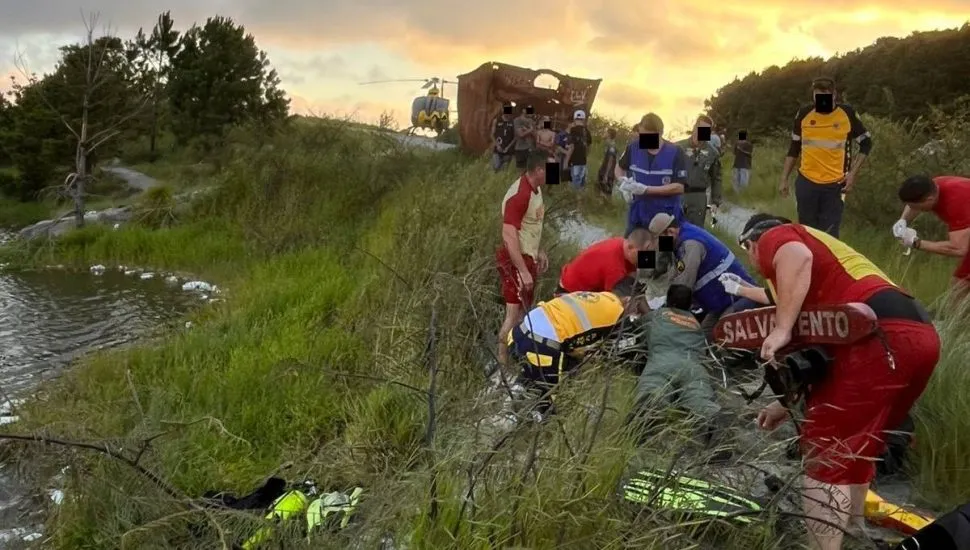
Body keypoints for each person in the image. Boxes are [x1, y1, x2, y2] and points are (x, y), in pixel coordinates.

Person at [735, 213, 940, 550]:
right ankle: (856, 530)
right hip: (917, 335)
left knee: (825, 456)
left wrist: (782, 327)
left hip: (876, 334)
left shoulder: (780, 236)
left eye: (748, 250)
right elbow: (817, 364)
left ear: (752, 243)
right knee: (861, 444)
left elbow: (795, 255)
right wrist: (784, 403)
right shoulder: (820, 279)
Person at [507, 278, 649, 415]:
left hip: (517, 334)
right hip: (542, 346)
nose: (635, 312)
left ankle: (516, 392)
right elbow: (628, 351)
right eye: (636, 306)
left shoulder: (594, 296)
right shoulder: (618, 311)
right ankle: (530, 423)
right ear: (627, 300)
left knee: (542, 375)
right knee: (549, 404)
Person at [627, 284, 723, 450]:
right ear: (690, 304)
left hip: (662, 363)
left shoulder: (657, 316)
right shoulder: (695, 324)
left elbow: (635, 328)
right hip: (693, 368)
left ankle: (643, 426)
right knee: (699, 398)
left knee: (652, 393)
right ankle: (717, 428)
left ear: (667, 300)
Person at [779, 76, 873, 238]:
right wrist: (784, 178)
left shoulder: (847, 113)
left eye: (825, 95)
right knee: (807, 233)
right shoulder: (803, 114)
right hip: (806, 182)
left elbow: (866, 143)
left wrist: (852, 175)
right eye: (817, 95)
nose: (821, 99)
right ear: (813, 96)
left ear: (834, 94)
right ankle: (809, 263)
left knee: (829, 235)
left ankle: (826, 262)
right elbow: (794, 148)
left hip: (835, 185)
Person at [647, 213, 757, 337]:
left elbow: (683, 287)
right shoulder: (680, 238)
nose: (659, 246)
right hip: (719, 303)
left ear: (670, 232)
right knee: (704, 338)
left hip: (740, 298)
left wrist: (667, 313)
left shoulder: (690, 244)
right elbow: (672, 272)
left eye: (659, 241)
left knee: (722, 334)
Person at [496, 150, 550, 369]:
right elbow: (509, 235)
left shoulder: (536, 190)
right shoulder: (520, 194)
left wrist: (539, 251)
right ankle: (502, 366)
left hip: (528, 258)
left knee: (522, 315)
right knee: (513, 315)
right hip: (515, 261)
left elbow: (530, 227)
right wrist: (522, 270)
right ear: (539, 170)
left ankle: (516, 361)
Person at [893, 174, 970, 301]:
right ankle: (955, 319)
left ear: (929, 200)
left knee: (959, 287)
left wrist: (916, 243)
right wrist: (903, 220)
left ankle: (953, 320)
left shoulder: (955, 202)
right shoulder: (932, 186)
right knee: (960, 284)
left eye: (914, 207)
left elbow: (958, 248)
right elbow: (913, 203)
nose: (912, 209)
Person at [615, 113, 689, 236]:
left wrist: (647, 190)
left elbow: (679, 187)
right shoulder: (633, 148)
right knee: (639, 250)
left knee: (665, 252)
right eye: (641, 135)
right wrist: (623, 182)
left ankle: (665, 255)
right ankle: (646, 255)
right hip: (638, 213)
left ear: (660, 134)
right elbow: (620, 167)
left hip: (666, 216)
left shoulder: (676, 152)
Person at [556, 228, 653, 295]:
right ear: (630, 247)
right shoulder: (615, 267)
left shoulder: (621, 242)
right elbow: (611, 299)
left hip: (572, 278)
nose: (645, 259)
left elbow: (636, 272)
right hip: (570, 292)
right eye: (642, 255)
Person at [676, 115, 723, 227]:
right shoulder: (678, 147)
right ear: (694, 127)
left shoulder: (713, 152)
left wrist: (715, 201)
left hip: (699, 197)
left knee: (695, 231)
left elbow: (716, 178)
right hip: (678, 194)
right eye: (700, 128)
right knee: (671, 230)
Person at [565, 110, 593, 190]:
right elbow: (589, 147)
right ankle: (580, 202)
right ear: (584, 119)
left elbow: (571, 146)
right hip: (583, 162)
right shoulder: (587, 131)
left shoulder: (573, 130)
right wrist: (585, 156)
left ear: (574, 118)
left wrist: (566, 161)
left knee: (573, 187)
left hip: (574, 161)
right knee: (581, 187)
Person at [491, 105, 516, 172]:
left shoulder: (512, 122)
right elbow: (492, 135)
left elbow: (515, 137)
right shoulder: (497, 120)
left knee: (504, 169)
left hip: (508, 150)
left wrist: (508, 147)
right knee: (496, 166)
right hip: (497, 149)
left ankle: (500, 181)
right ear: (502, 110)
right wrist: (497, 145)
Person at [597, 128, 618, 197]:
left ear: (608, 134)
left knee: (605, 193)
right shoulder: (608, 145)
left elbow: (611, 161)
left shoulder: (612, 146)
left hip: (608, 174)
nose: (604, 133)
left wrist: (606, 175)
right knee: (600, 192)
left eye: (605, 132)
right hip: (603, 172)